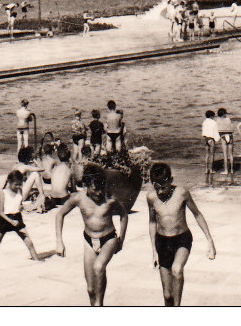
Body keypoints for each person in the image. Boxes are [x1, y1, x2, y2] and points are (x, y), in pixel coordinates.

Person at [54, 166, 131, 306]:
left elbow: (124, 215)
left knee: (99, 267)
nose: (99, 192)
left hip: (109, 238)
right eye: (95, 189)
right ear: (86, 185)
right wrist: (59, 241)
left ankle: (99, 305)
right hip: (89, 240)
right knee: (90, 289)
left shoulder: (110, 199)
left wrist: (121, 239)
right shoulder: (78, 199)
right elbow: (60, 214)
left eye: (102, 188)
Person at [146, 162, 216, 306]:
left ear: (171, 180)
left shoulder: (181, 193)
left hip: (181, 239)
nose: (159, 192)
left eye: (163, 187)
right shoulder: (151, 197)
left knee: (177, 270)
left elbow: (197, 214)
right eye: (156, 188)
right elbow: (152, 222)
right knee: (167, 294)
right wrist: (154, 251)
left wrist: (210, 241)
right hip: (162, 242)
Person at [0, 170, 41, 260]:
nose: (18, 186)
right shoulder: (4, 192)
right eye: (16, 184)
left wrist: (22, 207)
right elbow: (1, 212)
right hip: (5, 220)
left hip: (17, 218)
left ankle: (37, 261)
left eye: (20, 184)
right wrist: (11, 221)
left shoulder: (20, 191)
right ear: (10, 182)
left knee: (29, 243)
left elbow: (19, 204)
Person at [46, 144, 76, 210]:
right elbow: (74, 190)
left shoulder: (54, 169)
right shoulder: (70, 170)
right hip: (63, 199)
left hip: (53, 198)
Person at [215, 109, 234, 177]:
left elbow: (217, 129)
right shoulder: (228, 119)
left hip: (223, 136)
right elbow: (232, 128)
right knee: (231, 154)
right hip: (230, 136)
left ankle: (226, 170)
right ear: (224, 114)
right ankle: (232, 170)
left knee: (225, 155)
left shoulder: (218, 120)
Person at [201, 110, 219, 174]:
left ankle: (206, 169)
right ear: (211, 116)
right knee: (212, 155)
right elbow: (215, 132)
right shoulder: (214, 122)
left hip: (206, 138)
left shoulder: (204, 122)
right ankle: (211, 170)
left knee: (207, 154)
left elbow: (203, 132)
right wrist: (217, 140)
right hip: (211, 139)